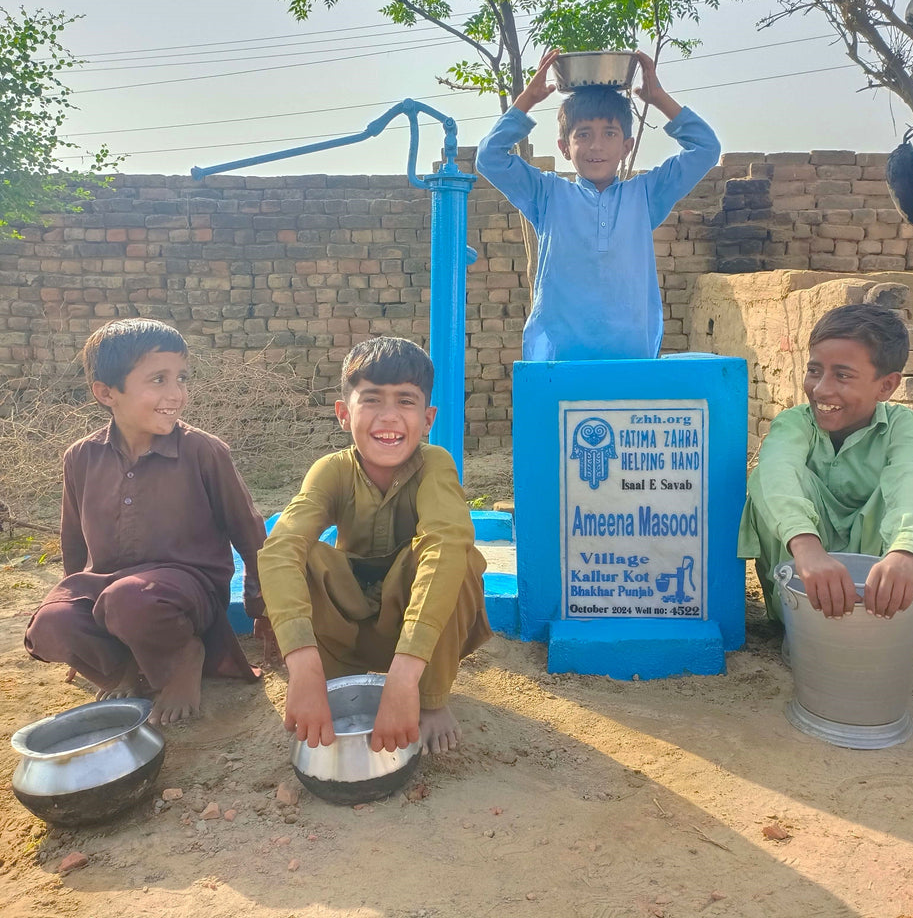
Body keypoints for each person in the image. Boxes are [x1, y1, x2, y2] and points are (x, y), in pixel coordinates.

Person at [24, 319, 269, 724]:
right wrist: (73, 614)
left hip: (186, 592)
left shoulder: (203, 452)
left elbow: (249, 530)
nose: (176, 395)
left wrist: (263, 606)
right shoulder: (81, 458)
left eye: (181, 379)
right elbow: (74, 544)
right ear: (106, 393)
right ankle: (123, 670)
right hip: (109, 591)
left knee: (131, 600)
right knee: (50, 624)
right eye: (158, 379)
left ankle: (183, 659)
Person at [256, 336, 491, 755]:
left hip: (417, 633)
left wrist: (405, 682)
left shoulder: (435, 464)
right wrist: (302, 666)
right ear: (344, 414)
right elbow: (281, 546)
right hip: (347, 631)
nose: (389, 417)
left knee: (458, 557)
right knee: (299, 553)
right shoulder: (330, 471)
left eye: (405, 401)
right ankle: (327, 682)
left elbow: (446, 541)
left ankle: (432, 700)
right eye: (372, 400)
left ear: (428, 418)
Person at [476, 47, 721, 362]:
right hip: (557, 361)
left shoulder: (646, 195)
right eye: (583, 135)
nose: (596, 146)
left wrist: (658, 97)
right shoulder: (547, 194)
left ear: (626, 146)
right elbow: (489, 157)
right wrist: (528, 99)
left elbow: (707, 148)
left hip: (632, 360)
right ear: (565, 147)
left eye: (609, 134)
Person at [738, 303, 913, 648]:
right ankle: (802, 625)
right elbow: (776, 473)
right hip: (802, 578)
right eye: (814, 371)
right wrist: (807, 548)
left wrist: (907, 552)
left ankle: (877, 624)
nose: (822, 389)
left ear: (886, 386)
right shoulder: (795, 423)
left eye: (842, 375)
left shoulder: (903, 426)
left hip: (878, 597)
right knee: (768, 484)